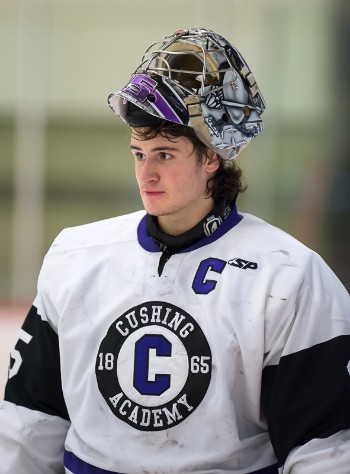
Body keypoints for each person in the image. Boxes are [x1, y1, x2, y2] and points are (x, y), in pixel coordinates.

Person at [0, 27, 349, 474]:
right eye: (137, 153)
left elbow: (324, 449)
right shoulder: (75, 256)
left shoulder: (290, 276)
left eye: (164, 154)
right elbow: (30, 422)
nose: (146, 173)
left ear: (212, 157)